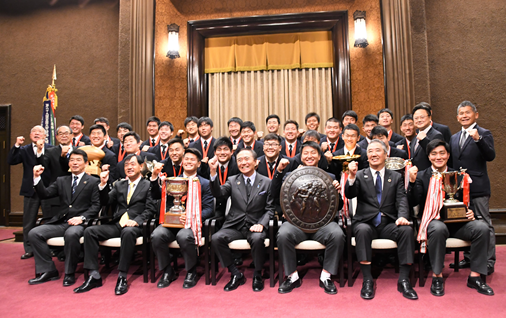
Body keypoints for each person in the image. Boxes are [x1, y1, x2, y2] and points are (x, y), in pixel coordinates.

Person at [407, 139, 493, 296]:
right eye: (434, 154)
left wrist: (471, 211)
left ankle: (475, 276)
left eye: (442, 153)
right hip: (434, 222)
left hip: (459, 224)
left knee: (482, 227)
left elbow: (468, 199)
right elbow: (413, 202)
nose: (438, 157)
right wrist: (411, 183)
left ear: (447, 155)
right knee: (438, 228)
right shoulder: (421, 176)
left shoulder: (458, 175)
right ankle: (437, 276)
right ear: (429, 156)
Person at [345, 139, 417, 300]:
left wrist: (402, 217)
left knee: (406, 230)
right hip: (366, 222)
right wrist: (351, 176)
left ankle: (404, 280)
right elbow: (350, 194)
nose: (373, 154)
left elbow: (402, 199)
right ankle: (367, 280)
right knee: (362, 231)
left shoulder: (396, 176)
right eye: (370, 151)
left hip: (388, 223)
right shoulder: (361, 175)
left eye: (377, 150)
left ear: (386, 154)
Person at [74, 154, 155, 295]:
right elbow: (106, 202)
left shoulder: (148, 185)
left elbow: (150, 209)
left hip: (137, 225)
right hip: (118, 223)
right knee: (90, 231)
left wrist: (137, 220)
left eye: (133, 164)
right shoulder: (119, 184)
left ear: (141, 167)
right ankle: (94, 275)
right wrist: (103, 185)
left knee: (128, 232)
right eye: (126, 165)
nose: (129, 167)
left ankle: (122, 276)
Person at [272, 141, 344, 295]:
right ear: (301, 156)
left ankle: (326, 276)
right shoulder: (289, 176)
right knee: (283, 234)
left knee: (337, 234)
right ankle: (292, 276)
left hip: (322, 226)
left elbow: (338, 207)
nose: (309, 156)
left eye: (313, 153)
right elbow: (274, 195)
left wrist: (337, 194)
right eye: (306, 153)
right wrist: (278, 172)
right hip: (296, 225)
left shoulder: (329, 176)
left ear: (319, 156)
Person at [27, 149, 101, 286]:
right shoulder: (62, 180)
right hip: (61, 221)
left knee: (71, 234)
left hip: (81, 223)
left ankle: (69, 273)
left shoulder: (93, 181)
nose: (74, 163)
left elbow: (96, 206)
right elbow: (45, 194)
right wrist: (37, 178)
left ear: (86, 163)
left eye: (78, 160)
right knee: (34, 233)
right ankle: (48, 270)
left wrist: (82, 218)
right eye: (72, 160)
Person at [209, 148, 274, 292]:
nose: (243, 163)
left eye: (246, 159)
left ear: (256, 162)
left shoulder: (267, 182)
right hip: (235, 225)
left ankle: (257, 274)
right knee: (216, 238)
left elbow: (271, 209)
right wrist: (213, 173)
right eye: (239, 160)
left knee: (257, 239)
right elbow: (218, 194)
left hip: (255, 225)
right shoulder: (232, 180)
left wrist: (261, 224)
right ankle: (235, 273)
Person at [150, 148, 214, 289]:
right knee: (157, 235)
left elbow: (209, 209)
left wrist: (192, 217)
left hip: (191, 225)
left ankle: (191, 271)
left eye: (192, 160)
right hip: (172, 223)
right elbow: (156, 196)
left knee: (184, 236)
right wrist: (154, 177)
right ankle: (167, 271)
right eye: (186, 159)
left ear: (198, 164)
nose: (188, 162)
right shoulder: (172, 180)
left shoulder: (204, 183)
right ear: (182, 162)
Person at [449, 101, 496, 275]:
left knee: (484, 223)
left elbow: (490, 156)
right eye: (461, 113)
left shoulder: (484, 133)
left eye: (467, 112)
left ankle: (488, 261)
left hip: (478, 188)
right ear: (457, 117)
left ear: (476, 114)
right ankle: (469, 258)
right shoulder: (454, 138)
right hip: (459, 190)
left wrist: (478, 140)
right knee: (466, 223)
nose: (464, 116)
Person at [8, 125, 53, 259]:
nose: (37, 134)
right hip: (30, 190)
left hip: (47, 189)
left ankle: (50, 247)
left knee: (49, 220)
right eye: (34, 132)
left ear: (45, 136)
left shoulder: (51, 149)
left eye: (40, 132)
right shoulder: (24, 149)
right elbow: (11, 160)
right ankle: (29, 248)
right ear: (30, 135)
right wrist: (16, 145)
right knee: (29, 221)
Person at [36, 125, 73, 218]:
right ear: (56, 137)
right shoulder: (50, 151)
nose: (63, 136)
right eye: (60, 134)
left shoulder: (79, 150)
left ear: (72, 136)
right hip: (57, 194)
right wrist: (40, 151)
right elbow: (42, 166)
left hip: (75, 192)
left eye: (66, 133)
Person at [411, 103, 444, 171]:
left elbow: (436, 154)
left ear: (430, 118)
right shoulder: (415, 137)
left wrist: (424, 140)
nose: (419, 120)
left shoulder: (436, 135)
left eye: (422, 117)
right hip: (417, 176)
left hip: (430, 176)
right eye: (416, 118)